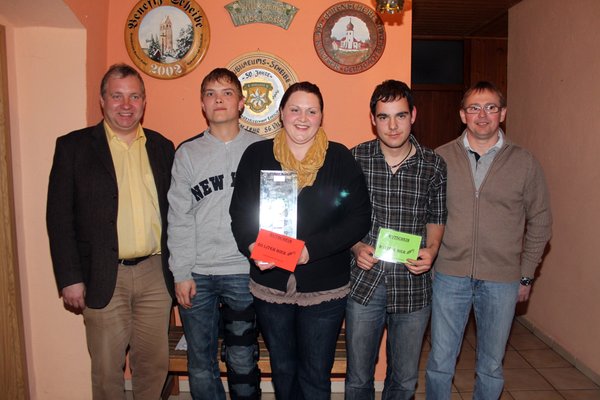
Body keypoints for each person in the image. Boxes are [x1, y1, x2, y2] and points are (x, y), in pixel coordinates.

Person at [229, 81, 371, 400]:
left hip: (325, 288)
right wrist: (251, 246)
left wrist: (310, 251)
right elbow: (240, 213)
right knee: (282, 370)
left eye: (311, 111)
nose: (302, 118)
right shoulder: (257, 155)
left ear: (322, 117)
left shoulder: (339, 158)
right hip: (271, 285)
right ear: (282, 114)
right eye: (295, 109)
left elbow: (359, 218)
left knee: (315, 374)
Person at [47, 63, 175, 399]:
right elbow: (58, 219)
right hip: (103, 274)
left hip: (155, 275)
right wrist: (70, 278)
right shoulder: (73, 148)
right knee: (106, 370)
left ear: (144, 102)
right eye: (116, 96)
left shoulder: (163, 147)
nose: (126, 105)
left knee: (154, 366)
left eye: (134, 96)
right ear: (102, 100)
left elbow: (176, 212)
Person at [425, 81, 552, 400]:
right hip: (448, 276)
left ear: (503, 113)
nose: (482, 115)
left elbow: (541, 221)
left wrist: (526, 274)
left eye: (491, 107)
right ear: (462, 114)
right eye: (474, 108)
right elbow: (422, 214)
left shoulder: (524, 162)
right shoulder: (440, 157)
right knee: (440, 362)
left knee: (491, 365)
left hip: (502, 280)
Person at [344, 80, 447, 400]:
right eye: (384, 116)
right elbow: (340, 216)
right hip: (364, 282)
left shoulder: (433, 165)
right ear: (373, 119)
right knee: (359, 378)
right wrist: (356, 246)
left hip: (413, 285)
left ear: (413, 115)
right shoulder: (355, 158)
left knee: (403, 381)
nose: (392, 125)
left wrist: (431, 251)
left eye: (400, 115)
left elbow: (437, 216)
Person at [167, 68, 263, 400]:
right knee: (200, 361)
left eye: (226, 92)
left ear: (241, 102)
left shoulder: (262, 149)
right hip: (198, 274)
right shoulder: (187, 153)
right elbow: (178, 217)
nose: (218, 99)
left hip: (243, 272)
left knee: (242, 359)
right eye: (210, 93)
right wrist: (181, 272)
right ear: (203, 105)